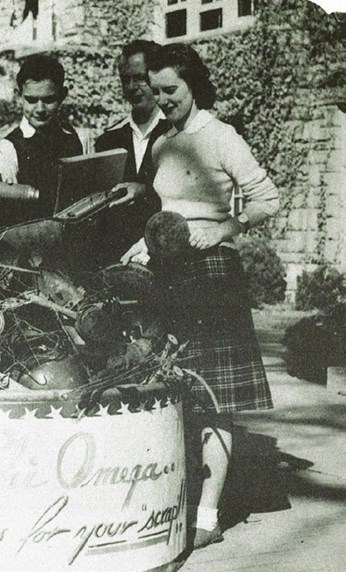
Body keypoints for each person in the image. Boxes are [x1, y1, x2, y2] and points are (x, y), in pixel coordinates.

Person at [123, 43, 279, 549]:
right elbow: (168, 210)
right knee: (173, 394)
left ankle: (208, 517)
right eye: (157, 90)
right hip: (168, 276)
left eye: (171, 90)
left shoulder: (220, 136)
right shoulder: (166, 142)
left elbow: (266, 197)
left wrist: (225, 229)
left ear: (194, 85)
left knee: (214, 401)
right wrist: (139, 247)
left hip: (212, 277)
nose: (162, 99)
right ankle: (177, 505)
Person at [94, 40, 170, 264]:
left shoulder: (178, 132)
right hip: (120, 261)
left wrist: (144, 190)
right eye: (125, 80)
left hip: (169, 256)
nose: (132, 87)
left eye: (140, 78)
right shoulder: (108, 140)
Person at [0, 54, 83, 227]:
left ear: (62, 95)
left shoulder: (70, 135)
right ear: (19, 96)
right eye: (31, 100)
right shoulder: (8, 148)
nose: (40, 109)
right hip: (29, 243)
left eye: (48, 100)